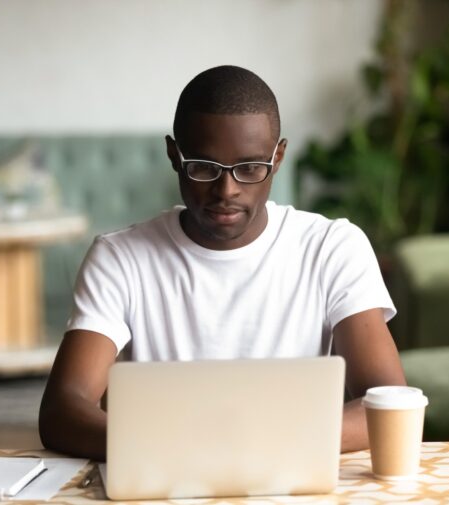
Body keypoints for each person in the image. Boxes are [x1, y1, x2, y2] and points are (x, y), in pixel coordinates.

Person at [39, 65, 406, 460]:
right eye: (203, 168)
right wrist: (180, 451)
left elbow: (390, 403)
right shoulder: (120, 259)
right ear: (174, 156)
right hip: (167, 477)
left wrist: (254, 445)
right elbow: (63, 409)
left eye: (250, 168)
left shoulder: (332, 248)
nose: (226, 191)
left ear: (277, 157)